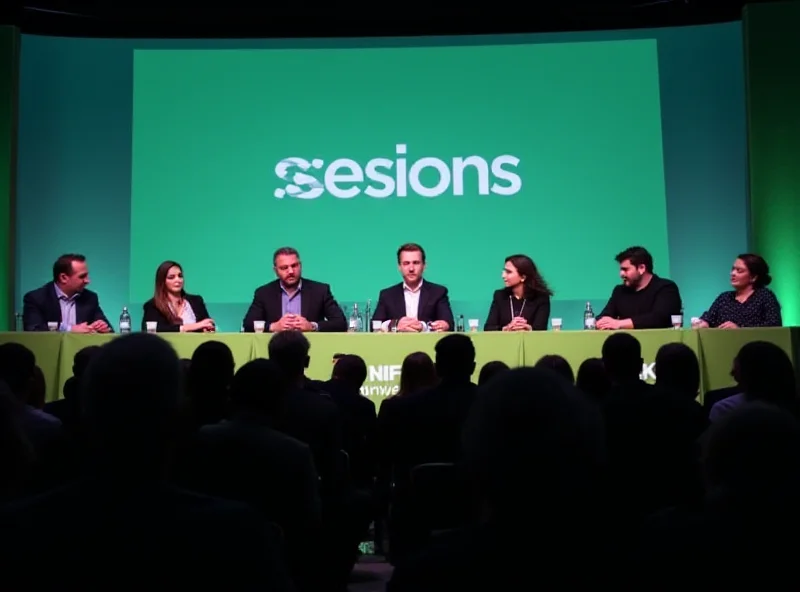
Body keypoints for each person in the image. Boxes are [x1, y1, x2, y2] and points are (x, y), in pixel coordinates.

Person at [242, 247, 347, 332]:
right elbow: (248, 324)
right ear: (275, 271)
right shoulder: (264, 293)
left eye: (294, 266)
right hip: (275, 349)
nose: (291, 271)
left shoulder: (320, 291)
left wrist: (312, 326)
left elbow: (340, 323)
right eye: (284, 268)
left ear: (300, 266)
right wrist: (273, 327)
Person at [372, 243, 454, 332]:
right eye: (406, 263)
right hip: (396, 344)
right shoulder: (387, 295)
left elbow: (448, 324)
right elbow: (374, 325)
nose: (411, 268)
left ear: (424, 266)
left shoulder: (438, 292)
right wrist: (395, 324)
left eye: (416, 263)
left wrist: (423, 327)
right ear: (399, 267)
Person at [596, 246, 682, 330]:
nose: (621, 274)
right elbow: (604, 315)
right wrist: (602, 322)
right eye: (621, 270)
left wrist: (619, 324)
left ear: (641, 268)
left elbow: (659, 318)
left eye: (625, 269)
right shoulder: (619, 291)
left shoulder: (666, 288)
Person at [22, 254, 112, 333]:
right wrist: (70, 329)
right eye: (82, 276)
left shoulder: (90, 298)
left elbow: (109, 329)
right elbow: (33, 329)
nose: (87, 281)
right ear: (63, 278)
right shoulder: (36, 298)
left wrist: (102, 326)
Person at [696, 254, 782, 328]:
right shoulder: (724, 298)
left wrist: (740, 329)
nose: (733, 273)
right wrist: (704, 323)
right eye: (733, 269)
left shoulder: (765, 296)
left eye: (739, 270)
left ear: (753, 277)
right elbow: (709, 318)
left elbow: (774, 324)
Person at [142, 261, 215, 332]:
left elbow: (206, 323)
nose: (178, 280)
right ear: (162, 281)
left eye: (180, 276)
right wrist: (189, 327)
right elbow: (153, 329)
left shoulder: (196, 301)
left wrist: (207, 328)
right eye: (171, 277)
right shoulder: (152, 305)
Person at [483, 254, 552, 331]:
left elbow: (541, 329)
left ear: (523, 277)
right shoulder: (500, 296)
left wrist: (528, 328)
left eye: (508, 272)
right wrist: (506, 328)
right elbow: (488, 328)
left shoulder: (541, 297)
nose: (503, 275)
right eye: (504, 271)